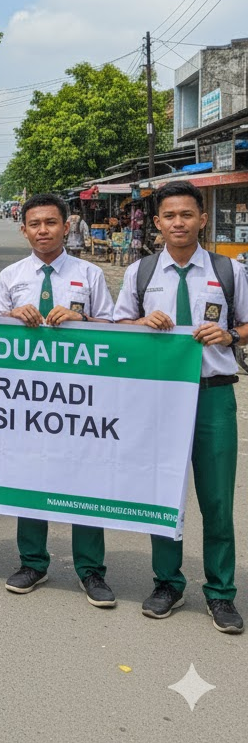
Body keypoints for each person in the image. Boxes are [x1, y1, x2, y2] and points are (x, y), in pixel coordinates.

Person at [114, 181, 246, 634]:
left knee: (217, 501)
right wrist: (140, 322)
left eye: (187, 214)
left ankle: (221, 593)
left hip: (213, 395)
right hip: (160, 400)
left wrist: (230, 335)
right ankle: (167, 583)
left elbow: (246, 323)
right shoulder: (142, 272)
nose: (178, 223)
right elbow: (118, 327)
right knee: (162, 494)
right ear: (157, 222)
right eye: (169, 216)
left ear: (202, 219)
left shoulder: (229, 271)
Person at [0, 192, 116, 607]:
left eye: (50, 223)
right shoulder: (11, 276)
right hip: (26, 398)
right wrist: (11, 316)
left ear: (66, 226)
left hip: (80, 398)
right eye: (35, 224)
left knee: (85, 478)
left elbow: (114, 328)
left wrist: (84, 319)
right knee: (31, 476)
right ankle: (32, 562)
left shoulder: (89, 274)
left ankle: (91, 570)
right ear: (23, 230)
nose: (42, 230)